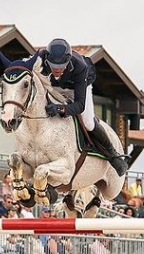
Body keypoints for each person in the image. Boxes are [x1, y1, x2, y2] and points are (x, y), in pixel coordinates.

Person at [38, 38, 128, 176]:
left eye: (61, 65)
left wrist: (61, 109)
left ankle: (113, 154)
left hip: (78, 88)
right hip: (53, 87)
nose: (56, 69)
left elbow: (79, 105)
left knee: (88, 122)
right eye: (53, 65)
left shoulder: (80, 66)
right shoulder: (39, 59)